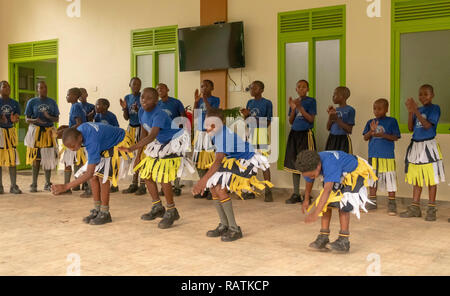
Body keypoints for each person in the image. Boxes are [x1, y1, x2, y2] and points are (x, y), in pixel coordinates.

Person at [192, 108, 273, 242]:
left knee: (220, 189)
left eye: (211, 124)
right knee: (213, 186)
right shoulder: (216, 133)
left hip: (246, 161)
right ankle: (224, 225)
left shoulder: (225, 136)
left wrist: (202, 180)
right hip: (232, 159)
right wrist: (207, 180)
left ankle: (234, 229)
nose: (208, 127)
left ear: (220, 123)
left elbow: (218, 161)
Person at [119, 88, 192, 229]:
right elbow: (144, 133)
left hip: (173, 142)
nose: (144, 100)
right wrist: (139, 155)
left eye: (148, 98)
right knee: (146, 174)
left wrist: (130, 148)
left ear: (156, 100)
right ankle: (157, 207)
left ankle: (172, 211)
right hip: (160, 142)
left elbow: (151, 136)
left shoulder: (159, 114)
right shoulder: (141, 111)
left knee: (164, 177)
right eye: (142, 98)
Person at [52, 122, 133, 225]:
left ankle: (105, 212)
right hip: (105, 144)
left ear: (80, 138)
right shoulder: (80, 131)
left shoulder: (91, 141)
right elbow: (90, 174)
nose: (72, 149)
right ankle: (97, 209)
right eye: (69, 147)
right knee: (94, 177)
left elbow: (89, 173)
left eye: (73, 146)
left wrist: (66, 186)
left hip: (120, 143)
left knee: (102, 177)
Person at [297, 150, 377, 253]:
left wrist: (315, 213)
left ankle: (344, 241)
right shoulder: (307, 165)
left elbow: (327, 190)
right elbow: (309, 180)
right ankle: (323, 237)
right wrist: (306, 199)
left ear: (318, 166)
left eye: (312, 175)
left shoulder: (330, 164)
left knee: (343, 203)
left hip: (354, 172)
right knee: (326, 202)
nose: (311, 177)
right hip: (340, 172)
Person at [401, 84, 445, 221]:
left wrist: (416, 111)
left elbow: (427, 126)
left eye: (426, 94)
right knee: (417, 178)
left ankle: (431, 208)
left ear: (432, 95)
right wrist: (410, 112)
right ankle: (415, 207)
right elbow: (410, 128)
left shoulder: (435, 108)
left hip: (428, 146)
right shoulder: (417, 109)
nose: (422, 97)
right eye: (420, 94)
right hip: (416, 146)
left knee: (431, 178)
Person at [363, 99, 401, 215]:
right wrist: (371, 131)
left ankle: (392, 203)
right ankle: (372, 201)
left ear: (386, 109)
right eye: (374, 108)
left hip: (387, 156)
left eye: (379, 108)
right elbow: (365, 137)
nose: (376, 111)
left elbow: (395, 137)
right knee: (372, 179)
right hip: (373, 156)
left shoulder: (392, 121)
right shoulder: (371, 122)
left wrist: (382, 135)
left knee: (390, 179)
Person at [284, 80, 317, 204]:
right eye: (299, 87)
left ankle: (308, 195)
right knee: (294, 164)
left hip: (305, 135)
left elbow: (310, 119)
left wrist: (300, 108)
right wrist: (293, 109)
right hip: (294, 134)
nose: (301, 89)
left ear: (308, 89)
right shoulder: (294, 102)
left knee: (307, 164)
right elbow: (291, 121)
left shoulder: (311, 101)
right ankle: (296, 193)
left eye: (304, 87)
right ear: (296, 89)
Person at [240, 80, 273, 202]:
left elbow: (268, 122)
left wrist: (251, 117)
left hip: (261, 134)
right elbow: (247, 120)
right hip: (250, 133)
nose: (252, 90)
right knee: (249, 162)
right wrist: (246, 115)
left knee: (264, 163)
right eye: (251, 88)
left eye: (255, 88)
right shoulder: (250, 102)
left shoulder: (267, 103)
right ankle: (250, 190)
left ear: (261, 90)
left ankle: (268, 191)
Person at [24, 81, 59, 192]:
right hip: (35, 132)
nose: (44, 89)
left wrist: (48, 116)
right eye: (41, 87)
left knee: (48, 158)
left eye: (45, 87)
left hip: (48, 133)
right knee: (36, 158)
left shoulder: (52, 102)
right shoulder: (32, 102)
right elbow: (26, 119)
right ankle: (34, 184)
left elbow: (56, 119)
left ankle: (47, 183)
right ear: (37, 89)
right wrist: (35, 120)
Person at [157, 83, 187, 196]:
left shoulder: (176, 102)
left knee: (175, 160)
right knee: (163, 161)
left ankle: (177, 186)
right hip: (162, 137)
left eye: (162, 88)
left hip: (175, 135)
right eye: (158, 89)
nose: (160, 90)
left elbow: (183, 117)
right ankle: (165, 186)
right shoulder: (157, 104)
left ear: (168, 89)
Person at [192, 80, 220, 199]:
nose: (203, 88)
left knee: (210, 160)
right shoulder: (199, 100)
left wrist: (204, 99)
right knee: (198, 161)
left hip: (210, 133)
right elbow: (195, 115)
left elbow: (211, 112)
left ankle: (212, 188)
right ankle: (204, 187)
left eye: (206, 86)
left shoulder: (215, 99)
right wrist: (196, 102)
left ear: (212, 87)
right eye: (202, 86)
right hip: (200, 133)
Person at [120, 77, 146, 196]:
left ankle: (143, 184)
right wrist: (125, 108)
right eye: (134, 84)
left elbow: (145, 115)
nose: (136, 86)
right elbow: (126, 117)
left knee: (141, 155)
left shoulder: (143, 97)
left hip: (142, 129)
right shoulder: (127, 98)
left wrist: (139, 109)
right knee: (132, 156)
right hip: (131, 128)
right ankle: (134, 183)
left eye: (138, 84)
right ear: (129, 85)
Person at [59, 88, 87, 195]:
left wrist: (67, 131)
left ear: (75, 96)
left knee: (68, 162)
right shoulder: (78, 106)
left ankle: (67, 188)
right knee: (77, 162)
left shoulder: (75, 106)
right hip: (76, 136)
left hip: (73, 138)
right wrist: (66, 127)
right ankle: (76, 185)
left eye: (68, 95)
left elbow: (79, 123)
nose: (66, 97)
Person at [94, 98, 120, 193]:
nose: (95, 106)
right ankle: (104, 182)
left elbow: (116, 128)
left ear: (105, 106)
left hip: (111, 143)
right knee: (104, 164)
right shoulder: (97, 116)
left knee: (113, 164)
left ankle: (115, 184)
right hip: (102, 143)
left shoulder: (111, 116)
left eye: (98, 105)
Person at [0, 81, 22, 194]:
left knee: (12, 158)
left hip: (11, 132)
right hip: (0, 132)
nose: (7, 88)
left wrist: (15, 120)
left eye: (9, 86)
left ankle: (13, 186)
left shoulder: (15, 103)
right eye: (4, 86)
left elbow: (17, 118)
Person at [325, 87, 355, 153]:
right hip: (332, 138)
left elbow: (349, 130)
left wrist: (337, 119)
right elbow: (328, 128)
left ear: (342, 96)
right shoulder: (335, 110)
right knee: (331, 159)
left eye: (335, 94)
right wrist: (330, 117)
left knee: (343, 160)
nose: (333, 96)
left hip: (343, 139)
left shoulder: (350, 110)